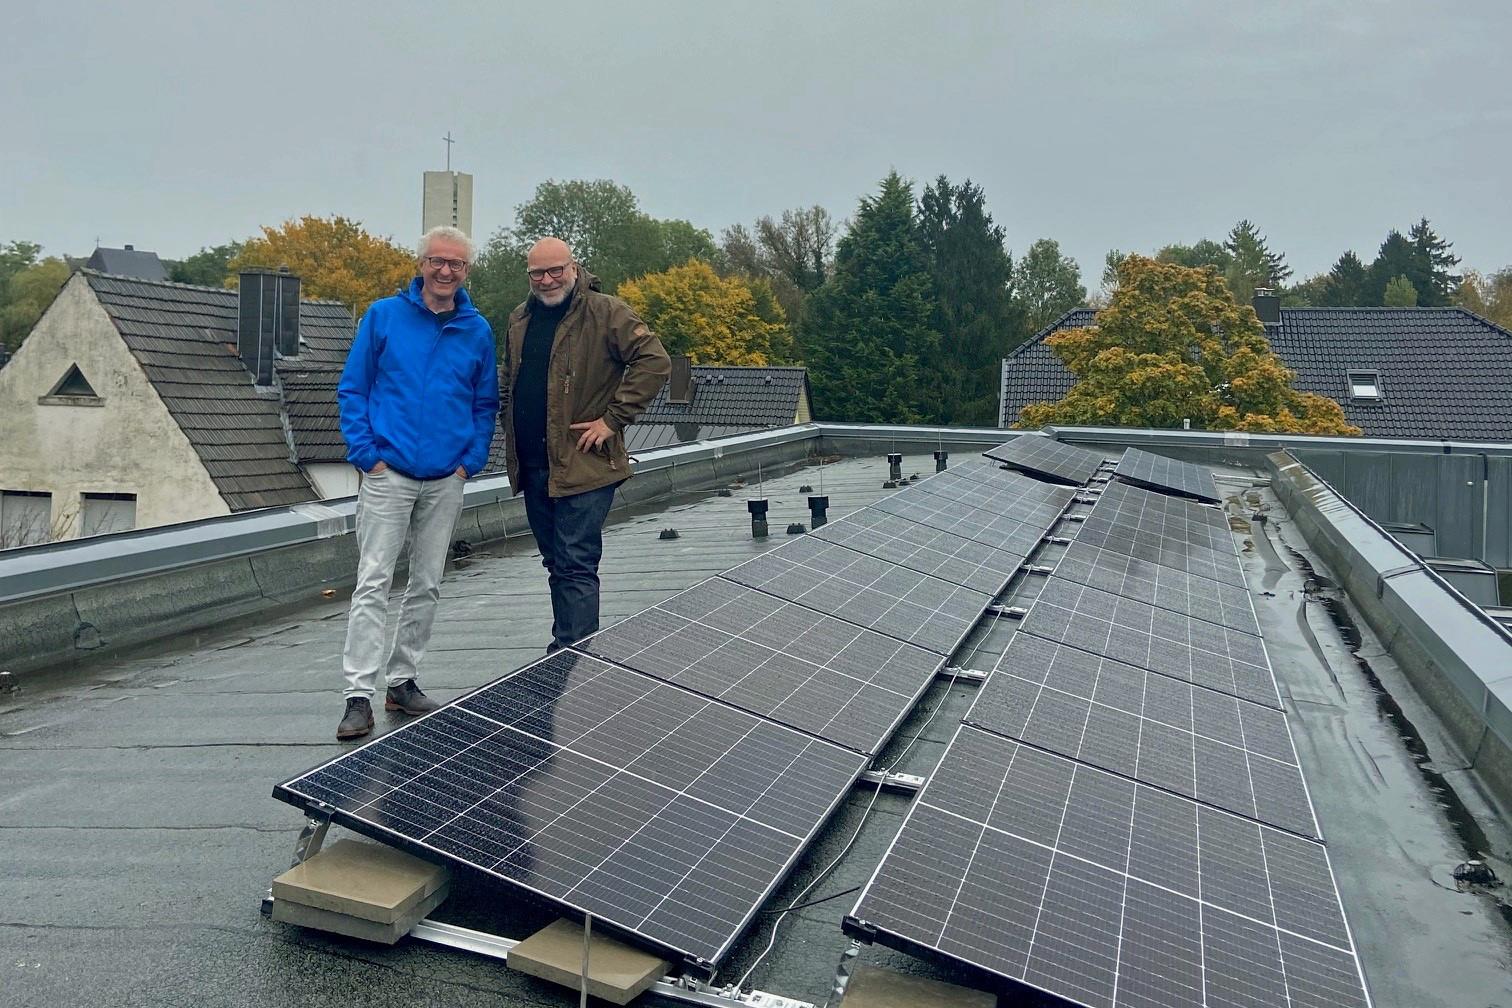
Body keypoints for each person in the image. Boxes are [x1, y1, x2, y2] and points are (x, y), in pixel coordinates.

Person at [333, 225, 499, 740]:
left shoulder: (477, 330)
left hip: (446, 476)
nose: (445, 271)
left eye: (456, 264)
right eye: (437, 261)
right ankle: (357, 694)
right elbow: (353, 388)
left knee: (427, 583)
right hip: (389, 474)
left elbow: (485, 402)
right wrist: (366, 456)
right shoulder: (384, 316)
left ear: (467, 271)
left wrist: (469, 461)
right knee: (374, 581)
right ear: (421, 263)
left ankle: (402, 681)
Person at [501, 237, 669, 652]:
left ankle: (572, 658)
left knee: (575, 561)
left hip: (585, 462)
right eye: (537, 272)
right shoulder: (520, 318)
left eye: (556, 270)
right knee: (556, 562)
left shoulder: (605, 312)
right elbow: (510, 378)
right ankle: (566, 648)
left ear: (574, 269)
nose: (547, 279)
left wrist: (613, 420)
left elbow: (654, 361)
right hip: (536, 463)